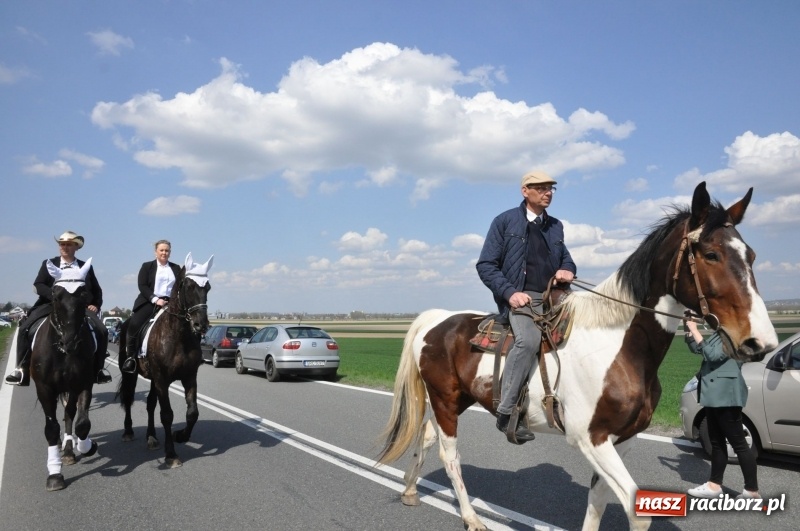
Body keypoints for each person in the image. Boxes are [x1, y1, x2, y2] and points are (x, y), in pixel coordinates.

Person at [476, 170, 576, 443]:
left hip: (554, 296)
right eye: (541, 188)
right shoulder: (505, 221)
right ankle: (507, 411)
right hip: (522, 298)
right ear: (525, 191)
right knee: (528, 341)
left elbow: (566, 259)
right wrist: (510, 294)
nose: (548, 193)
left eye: (551, 188)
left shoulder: (555, 226)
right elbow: (485, 265)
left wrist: (567, 270)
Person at [5, 231, 111, 386]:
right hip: (49, 304)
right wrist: (54, 296)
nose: (64, 247)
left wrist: (95, 304)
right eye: (62, 244)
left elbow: (96, 289)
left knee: (102, 330)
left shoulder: (85, 267)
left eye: (68, 244)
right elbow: (38, 284)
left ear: (76, 247)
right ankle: (21, 369)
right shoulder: (49, 263)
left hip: (78, 308)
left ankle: (98, 370)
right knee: (25, 328)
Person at [685, 317, 760, 500]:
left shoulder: (735, 333)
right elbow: (699, 350)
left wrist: (695, 330)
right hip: (713, 394)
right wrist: (689, 334)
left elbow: (713, 355)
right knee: (716, 442)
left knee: (739, 445)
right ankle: (714, 486)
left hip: (726, 395)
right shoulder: (720, 333)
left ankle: (752, 491)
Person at [121, 240, 181, 373]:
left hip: (171, 304)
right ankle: (130, 358)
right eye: (162, 250)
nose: (164, 253)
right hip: (150, 302)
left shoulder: (176, 268)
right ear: (156, 252)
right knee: (134, 324)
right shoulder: (147, 266)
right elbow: (142, 285)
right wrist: (155, 299)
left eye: (167, 250)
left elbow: (180, 288)